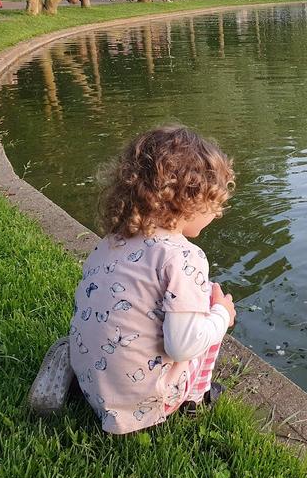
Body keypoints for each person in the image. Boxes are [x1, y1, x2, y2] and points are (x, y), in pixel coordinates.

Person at [69, 126, 237, 434]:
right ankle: (194, 400)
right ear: (189, 200)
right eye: (214, 203)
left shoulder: (112, 241)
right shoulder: (184, 257)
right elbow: (183, 346)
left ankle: (78, 372)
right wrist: (222, 315)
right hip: (142, 400)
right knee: (209, 309)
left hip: (92, 381)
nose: (218, 215)